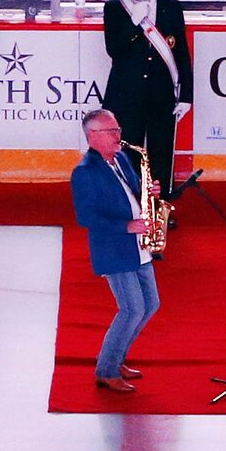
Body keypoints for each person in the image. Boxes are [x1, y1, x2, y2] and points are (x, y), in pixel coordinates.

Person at [73, 109, 159, 396]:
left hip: (138, 246)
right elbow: (86, 217)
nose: (118, 136)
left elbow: (133, 191)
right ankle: (107, 370)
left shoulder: (121, 159)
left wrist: (150, 192)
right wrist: (126, 226)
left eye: (118, 129)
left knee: (151, 304)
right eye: (112, 131)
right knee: (132, 309)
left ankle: (116, 356)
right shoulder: (85, 172)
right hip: (115, 248)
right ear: (93, 136)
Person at [101, 0, 191, 195]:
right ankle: (133, 204)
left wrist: (186, 96)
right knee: (129, 152)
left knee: (162, 153)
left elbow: (181, 53)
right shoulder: (114, 8)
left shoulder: (171, 7)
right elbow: (114, 49)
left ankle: (161, 207)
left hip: (161, 94)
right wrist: (133, 23)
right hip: (127, 95)